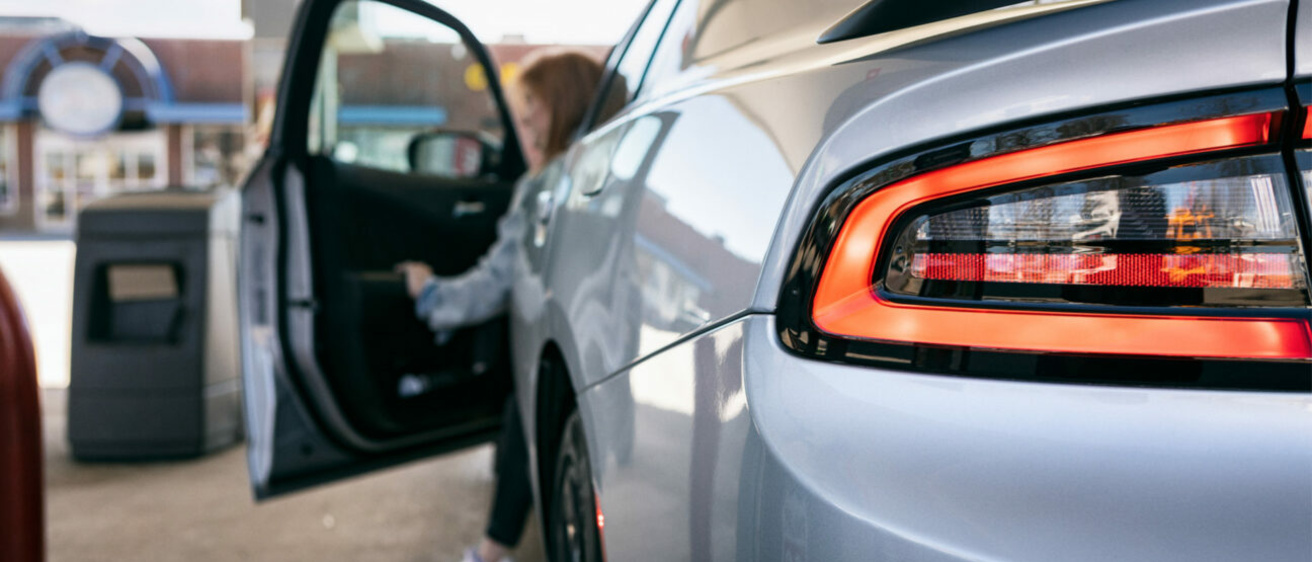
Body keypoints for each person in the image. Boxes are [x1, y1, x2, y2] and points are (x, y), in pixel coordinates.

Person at [395, 49, 608, 562]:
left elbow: (494, 282)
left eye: (531, 106)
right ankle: (492, 550)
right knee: (520, 409)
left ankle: (491, 553)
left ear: (560, 105)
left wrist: (429, 292)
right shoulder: (599, 170)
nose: (525, 122)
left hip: (554, 348)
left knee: (523, 402)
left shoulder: (542, 187)